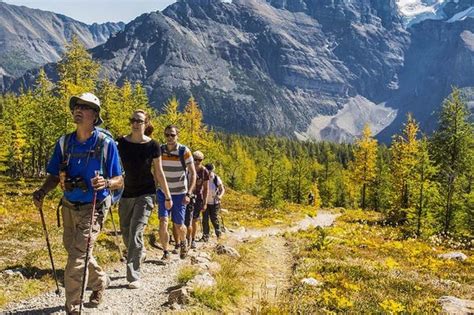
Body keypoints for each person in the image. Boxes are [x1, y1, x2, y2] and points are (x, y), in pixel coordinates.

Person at [32, 92, 123, 315]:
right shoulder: (64, 143)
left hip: (94, 207)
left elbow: (120, 179)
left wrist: (106, 182)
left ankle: (73, 307)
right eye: (76, 107)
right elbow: (55, 174)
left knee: (76, 258)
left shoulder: (105, 144)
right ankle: (100, 281)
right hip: (69, 206)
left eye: (84, 107)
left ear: (95, 115)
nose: (78, 110)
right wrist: (42, 190)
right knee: (76, 251)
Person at [117, 110, 172, 289]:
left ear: (146, 123)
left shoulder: (153, 145)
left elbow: (159, 171)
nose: (135, 123)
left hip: (146, 193)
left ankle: (133, 276)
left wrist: (167, 195)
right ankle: (140, 252)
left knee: (136, 232)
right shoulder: (121, 143)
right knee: (126, 231)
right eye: (132, 120)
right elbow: (112, 166)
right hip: (125, 193)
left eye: (139, 121)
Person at [158, 125, 196, 260]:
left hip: (180, 192)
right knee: (163, 221)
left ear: (177, 136)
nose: (169, 137)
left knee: (179, 225)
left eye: (172, 135)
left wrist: (189, 194)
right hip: (163, 191)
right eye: (167, 134)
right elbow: (156, 169)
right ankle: (165, 251)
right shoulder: (160, 150)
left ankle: (184, 241)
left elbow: (193, 173)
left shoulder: (184, 151)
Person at [185, 151, 209, 249]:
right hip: (186, 195)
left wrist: (205, 203)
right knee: (186, 219)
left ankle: (193, 239)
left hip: (198, 197)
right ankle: (186, 238)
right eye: (195, 159)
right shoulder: (187, 169)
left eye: (200, 160)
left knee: (194, 220)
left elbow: (206, 188)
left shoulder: (204, 171)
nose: (197, 162)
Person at [202, 163, 225, 241]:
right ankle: (205, 236)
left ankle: (218, 234)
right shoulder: (202, 177)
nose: (208, 172)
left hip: (215, 202)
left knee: (214, 218)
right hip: (205, 202)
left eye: (210, 171)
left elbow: (222, 189)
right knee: (205, 219)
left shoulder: (216, 178)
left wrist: (220, 196)